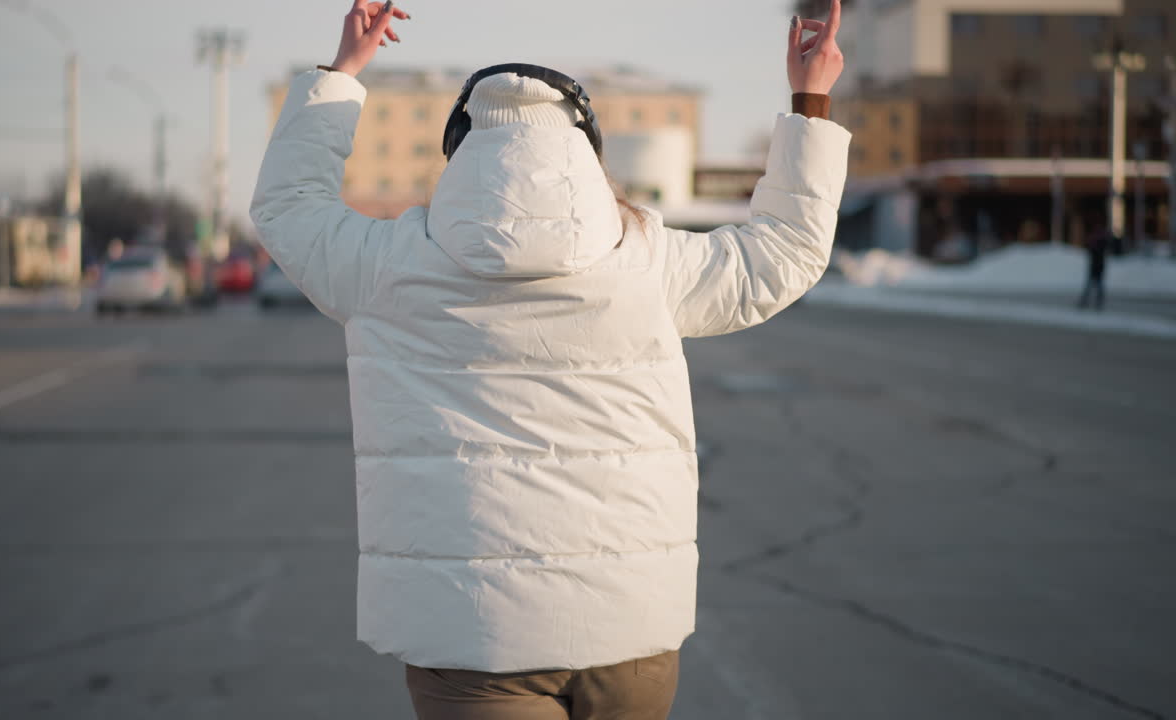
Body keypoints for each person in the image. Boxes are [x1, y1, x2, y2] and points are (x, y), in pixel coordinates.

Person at [250, 1, 849, 717]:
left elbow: (287, 206)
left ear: (460, 154)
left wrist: (343, 73)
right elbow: (784, 251)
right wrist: (809, 102)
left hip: (468, 638)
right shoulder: (648, 262)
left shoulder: (388, 267)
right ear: (587, 157)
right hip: (627, 630)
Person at [1078, 220, 1109, 311]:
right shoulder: (1099, 239)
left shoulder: (1098, 240)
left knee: (1094, 284)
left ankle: (1092, 301)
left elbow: (1091, 248)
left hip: (1097, 265)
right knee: (1094, 284)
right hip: (1097, 265)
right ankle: (1092, 301)